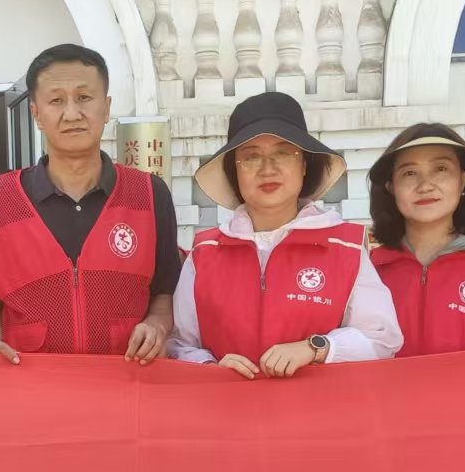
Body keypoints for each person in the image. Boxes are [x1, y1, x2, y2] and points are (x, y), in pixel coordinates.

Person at [0, 44, 181, 363]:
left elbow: (164, 292)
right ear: (36, 113)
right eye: (56, 100)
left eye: (84, 97)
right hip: (30, 382)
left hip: (125, 378)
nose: (72, 114)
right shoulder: (1, 198)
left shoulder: (149, 194)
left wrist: (156, 325)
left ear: (106, 107)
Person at [170, 92, 401, 376]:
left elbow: (382, 339)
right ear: (234, 172)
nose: (268, 169)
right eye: (251, 157)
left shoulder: (346, 248)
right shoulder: (204, 253)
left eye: (283, 153)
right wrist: (210, 367)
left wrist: (317, 348)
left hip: (321, 406)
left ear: (304, 165)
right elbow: (179, 343)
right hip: (225, 404)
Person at [367, 123, 465, 354]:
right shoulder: (366, 269)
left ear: (463, 179)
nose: (425, 186)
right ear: (391, 187)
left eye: (440, 169)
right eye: (409, 173)